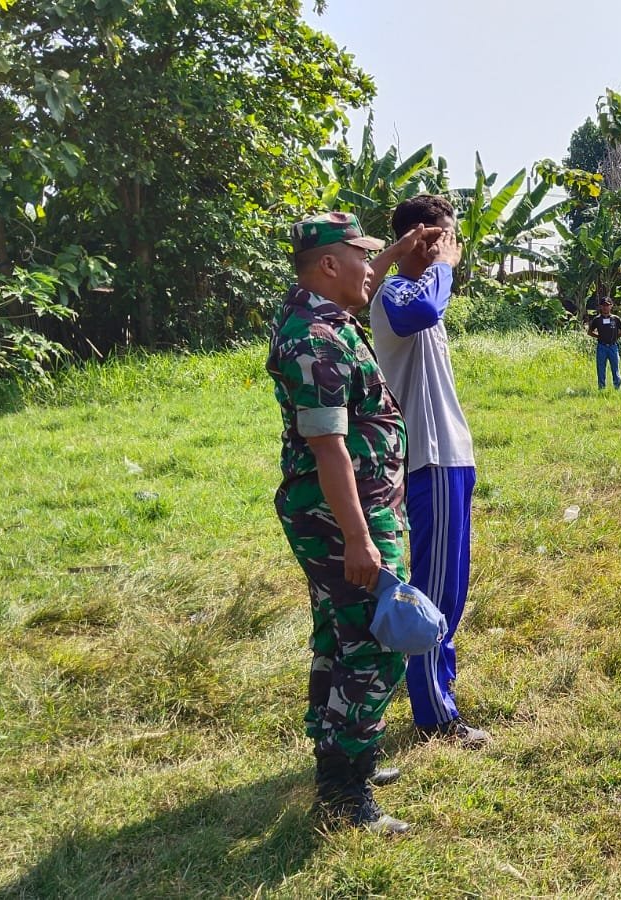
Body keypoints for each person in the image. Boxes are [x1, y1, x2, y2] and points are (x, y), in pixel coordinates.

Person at [269, 211, 440, 834]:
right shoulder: (314, 338)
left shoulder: (324, 318)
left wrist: (394, 252)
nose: (374, 267)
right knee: (375, 642)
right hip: (345, 516)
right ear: (328, 266)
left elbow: (368, 277)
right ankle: (346, 796)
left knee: (340, 638)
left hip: (355, 508)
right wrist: (361, 540)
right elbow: (329, 449)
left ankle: (342, 763)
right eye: (362, 257)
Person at [371, 196, 490, 749]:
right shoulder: (400, 293)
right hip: (430, 460)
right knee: (436, 591)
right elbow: (417, 311)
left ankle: (438, 693)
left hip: (452, 459)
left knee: (453, 587)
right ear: (418, 238)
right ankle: (434, 714)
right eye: (443, 237)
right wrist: (439, 264)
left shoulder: (427, 297)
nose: (452, 248)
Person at [587, 298, 621, 390]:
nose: (605, 307)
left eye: (607, 305)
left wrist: (616, 336)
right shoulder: (597, 319)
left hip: (613, 346)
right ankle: (601, 388)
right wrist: (599, 337)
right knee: (601, 368)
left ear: (611, 306)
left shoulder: (615, 319)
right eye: (603, 305)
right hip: (601, 347)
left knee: (615, 368)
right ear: (600, 307)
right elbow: (589, 332)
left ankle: (617, 388)